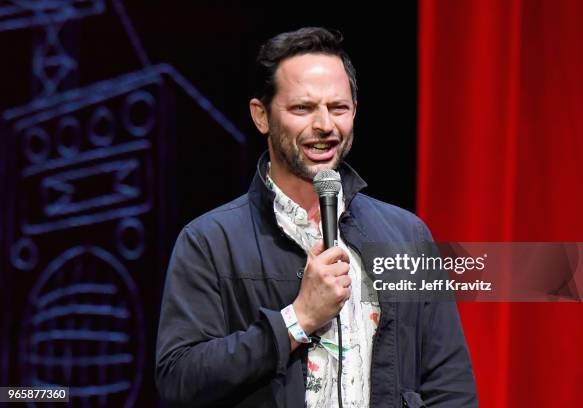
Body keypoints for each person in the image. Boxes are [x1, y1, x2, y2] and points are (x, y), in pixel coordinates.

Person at [155, 27, 477, 408]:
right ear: (261, 116)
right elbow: (179, 380)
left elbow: (449, 386)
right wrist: (298, 318)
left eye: (338, 107)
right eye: (303, 108)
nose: (325, 124)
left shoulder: (406, 234)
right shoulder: (210, 241)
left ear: (354, 111)